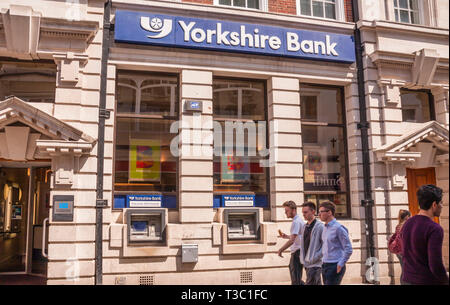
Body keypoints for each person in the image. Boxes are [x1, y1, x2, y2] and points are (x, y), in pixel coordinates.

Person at [401, 184, 449, 285]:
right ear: (434, 204)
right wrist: (446, 280)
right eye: (441, 203)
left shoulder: (407, 224)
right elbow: (435, 264)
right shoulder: (434, 229)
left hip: (407, 279)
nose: (442, 206)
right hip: (426, 280)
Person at [319, 201, 352, 285]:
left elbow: (348, 248)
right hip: (325, 265)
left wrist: (341, 264)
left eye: (321, 212)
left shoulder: (338, 228)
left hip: (335, 265)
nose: (319, 214)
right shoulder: (324, 228)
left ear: (329, 212)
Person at [278, 200, 305, 285]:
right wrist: (286, 236)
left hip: (297, 252)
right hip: (299, 251)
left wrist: (281, 249)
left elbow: (292, 240)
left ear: (293, 210)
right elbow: (296, 237)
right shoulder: (298, 220)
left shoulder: (296, 222)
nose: (285, 213)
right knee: (296, 278)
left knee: (296, 279)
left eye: (287, 211)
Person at [299, 201, 324, 285]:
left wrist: (315, 257)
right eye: (303, 212)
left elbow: (325, 245)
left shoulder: (320, 227)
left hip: (315, 264)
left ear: (313, 211)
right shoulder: (304, 227)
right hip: (307, 263)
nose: (303, 214)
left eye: (305, 212)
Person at [388, 209, 410, 284]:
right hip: (405, 251)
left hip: (399, 251)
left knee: (404, 270)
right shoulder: (407, 226)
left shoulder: (398, 226)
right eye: (410, 216)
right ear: (407, 217)